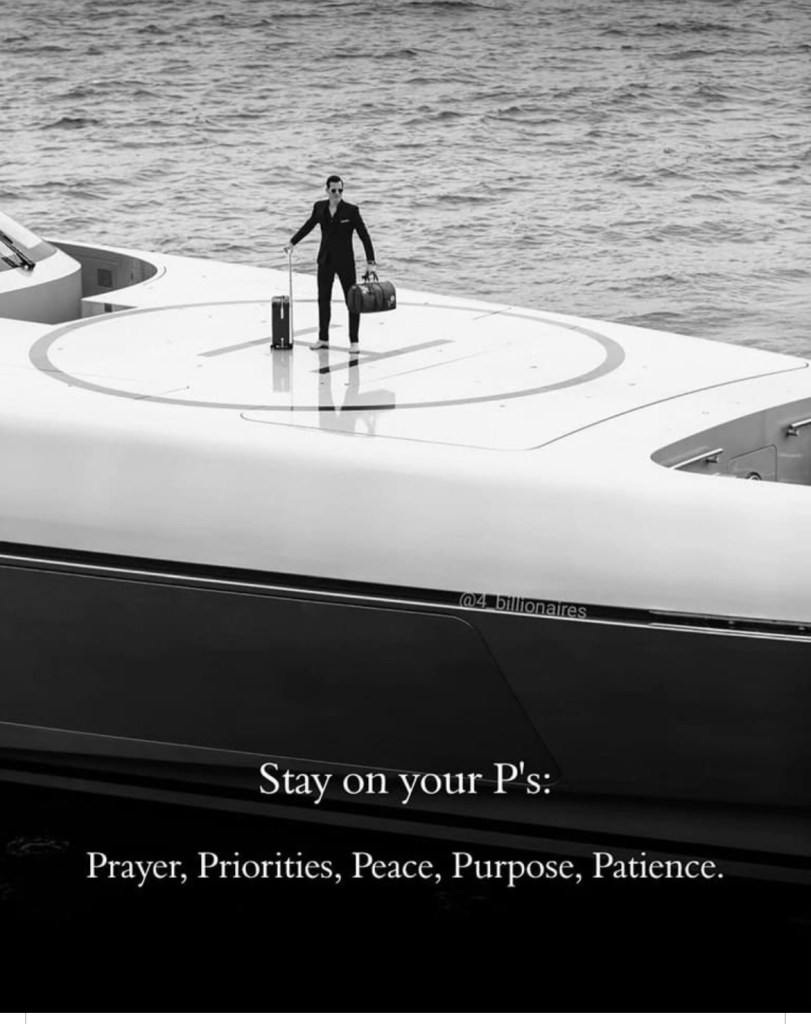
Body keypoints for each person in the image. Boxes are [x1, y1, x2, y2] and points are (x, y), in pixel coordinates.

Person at [285, 175, 376, 350]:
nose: (337, 194)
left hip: (345, 262)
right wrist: (292, 242)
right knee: (323, 299)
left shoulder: (351, 211)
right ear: (327, 190)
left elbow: (364, 236)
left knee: (352, 301)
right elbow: (309, 225)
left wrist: (370, 261)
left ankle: (354, 341)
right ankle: (323, 339)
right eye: (333, 190)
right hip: (325, 260)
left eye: (340, 190)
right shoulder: (319, 207)